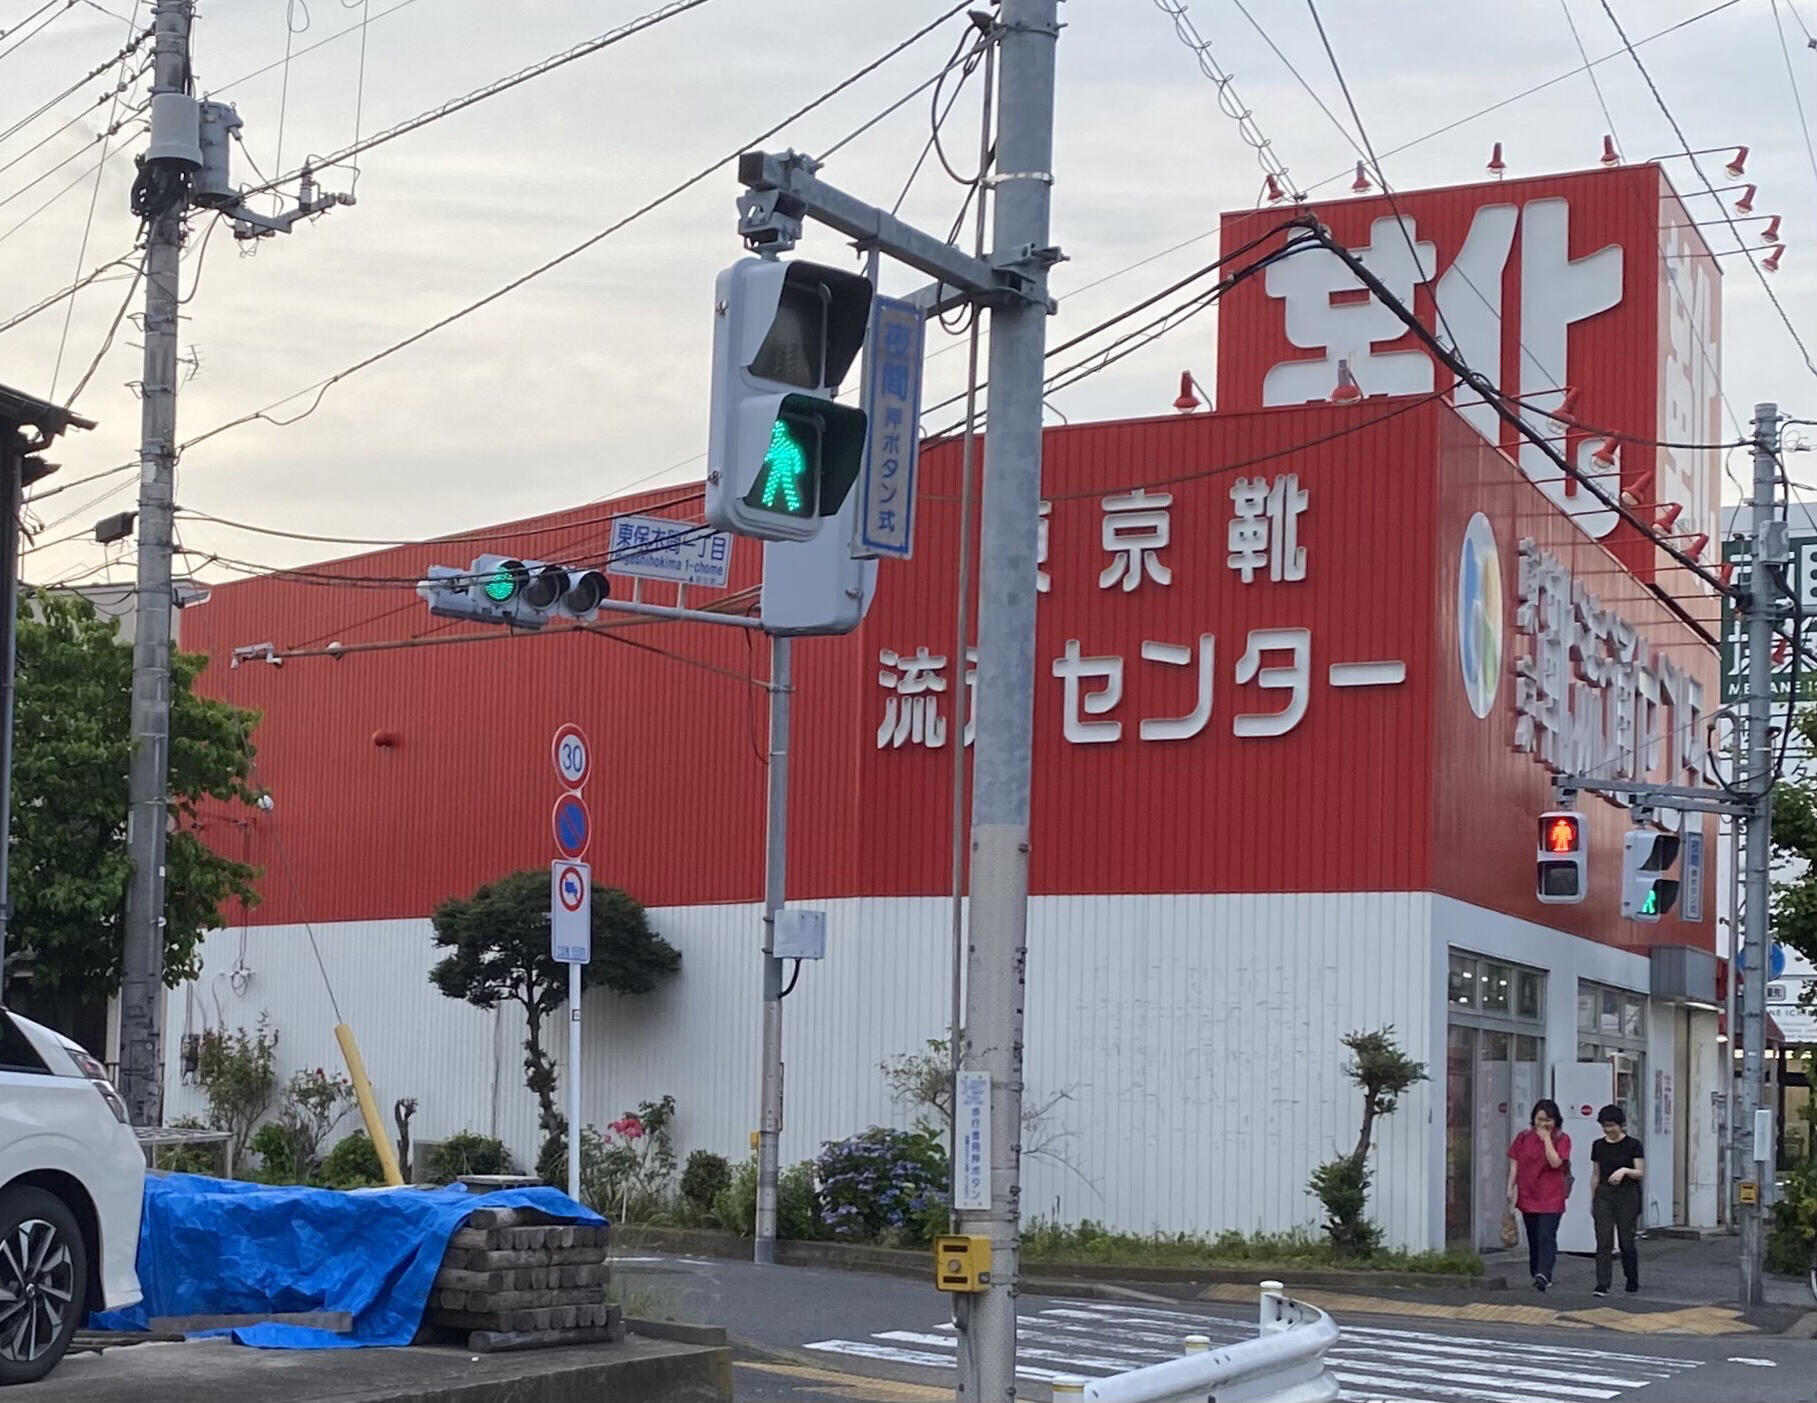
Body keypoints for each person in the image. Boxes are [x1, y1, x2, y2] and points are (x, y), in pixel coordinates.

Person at [1506, 1098, 1571, 1291]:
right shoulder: (1523, 1137)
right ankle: (1536, 1271)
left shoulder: (1562, 1138)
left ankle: (1544, 1273)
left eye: (1548, 1120)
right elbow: (1514, 1163)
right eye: (1540, 1119)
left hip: (1551, 1195)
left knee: (1546, 1236)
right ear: (1533, 1119)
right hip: (1528, 1193)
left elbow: (1555, 1162)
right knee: (1533, 1236)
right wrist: (1510, 1187)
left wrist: (1546, 1140)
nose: (1543, 1124)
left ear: (1556, 1120)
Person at [1590, 1103, 1645, 1297]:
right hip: (1604, 1194)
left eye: (1611, 1125)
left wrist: (1624, 1171)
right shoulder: (1598, 1145)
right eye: (1604, 1126)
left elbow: (1640, 1172)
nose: (1608, 1130)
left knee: (1626, 1240)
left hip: (1627, 1194)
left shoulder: (1633, 1145)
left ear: (1620, 1125)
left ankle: (1631, 1277)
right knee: (1603, 1240)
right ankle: (1602, 1283)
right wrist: (1593, 1198)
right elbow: (1595, 1174)